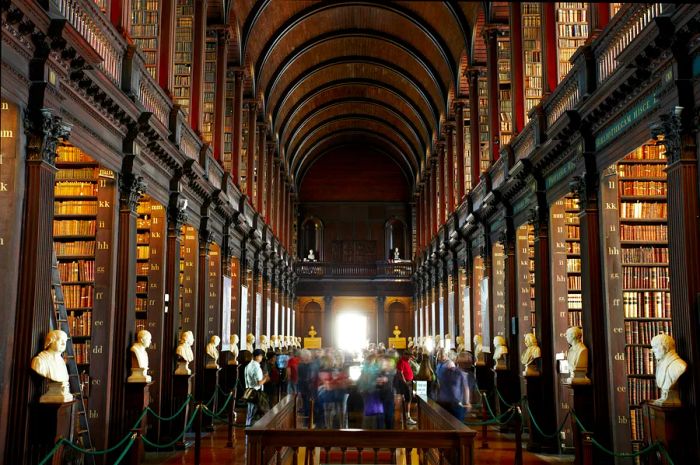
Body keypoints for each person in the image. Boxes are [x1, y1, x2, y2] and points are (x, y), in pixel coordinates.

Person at [31, 329, 72, 402]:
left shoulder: (62, 361)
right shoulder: (39, 361)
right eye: (60, 340)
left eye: (65, 341)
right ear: (50, 341)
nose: (63, 343)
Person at [651, 334, 687, 406]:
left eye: (655, 347)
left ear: (666, 347)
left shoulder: (678, 365)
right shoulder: (661, 364)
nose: (652, 350)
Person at [245, 349, 269, 426]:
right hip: (256, 392)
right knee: (256, 412)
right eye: (261, 356)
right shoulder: (257, 367)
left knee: (249, 412)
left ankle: (248, 426)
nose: (261, 358)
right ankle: (252, 429)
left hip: (248, 391)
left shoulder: (248, 366)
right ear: (257, 356)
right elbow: (259, 383)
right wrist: (266, 378)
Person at [396, 350, 417, 425]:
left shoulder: (406, 360)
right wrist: (405, 383)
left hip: (409, 382)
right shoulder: (401, 361)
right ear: (405, 355)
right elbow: (400, 373)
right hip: (406, 384)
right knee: (408, 400)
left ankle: (404, 417)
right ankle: (407, 418)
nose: (410, 358)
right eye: (409, 356)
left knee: (408, 400)